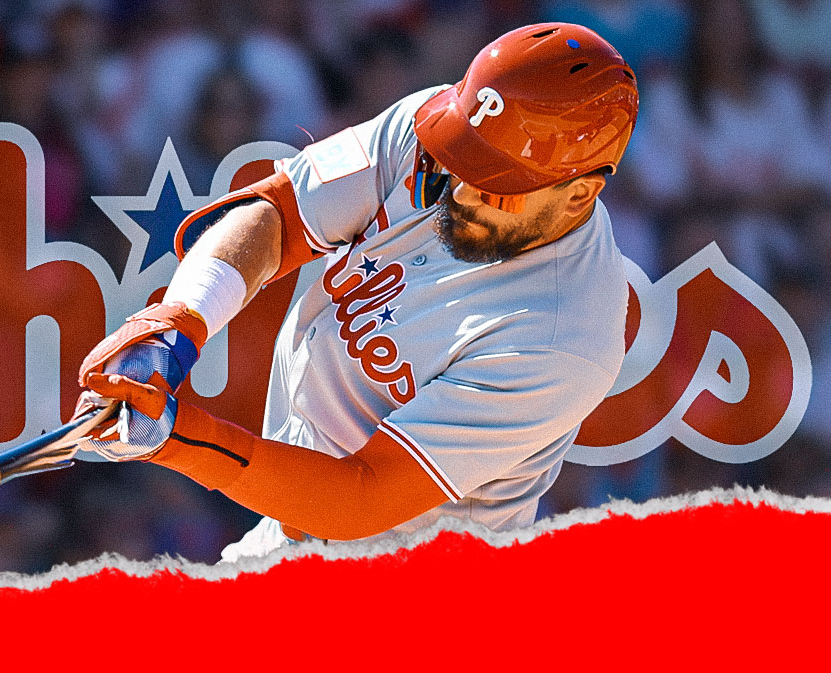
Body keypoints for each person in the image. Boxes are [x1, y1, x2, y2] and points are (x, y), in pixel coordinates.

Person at [72, 23, 639, 561]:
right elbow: (279, 215)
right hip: (290, 534)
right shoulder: (445, 126)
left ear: (578, 193)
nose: (461, 191)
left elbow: (359, 498)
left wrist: (174, 439)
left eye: (497, 185)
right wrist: (179, 324)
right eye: (460, 159)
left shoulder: (565, 335)